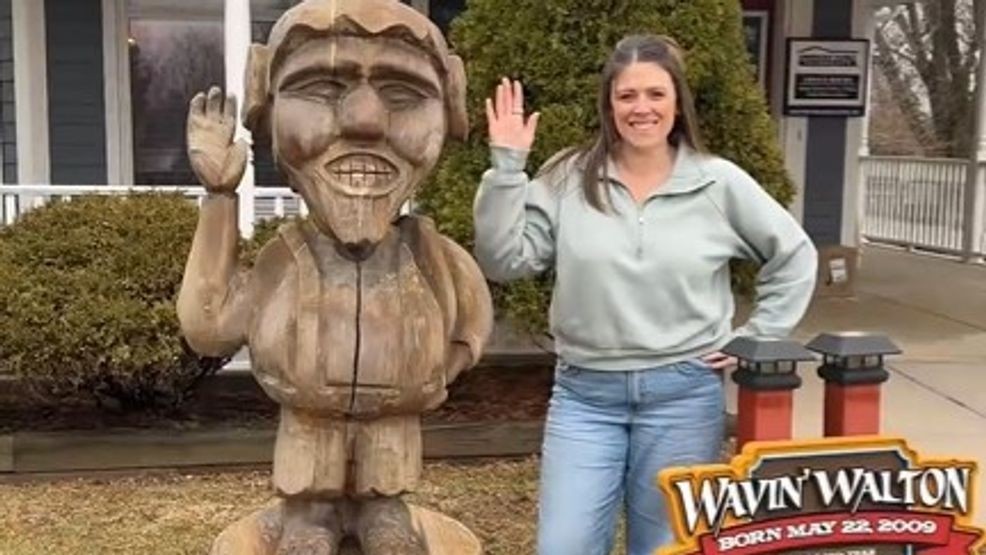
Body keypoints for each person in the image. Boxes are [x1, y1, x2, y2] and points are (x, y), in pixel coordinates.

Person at [473, 34, 818, 555]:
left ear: (677, 102)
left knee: (665, 549)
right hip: (585, 397)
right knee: (563, 546)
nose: (641, 108)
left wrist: (758, 334)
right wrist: (506, 170)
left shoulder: (718, 183)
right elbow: (505, 261)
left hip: (683, 394)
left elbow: (794, 256)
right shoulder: (569, 177)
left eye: (655, 94)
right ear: (609, 105)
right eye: (627, 96)